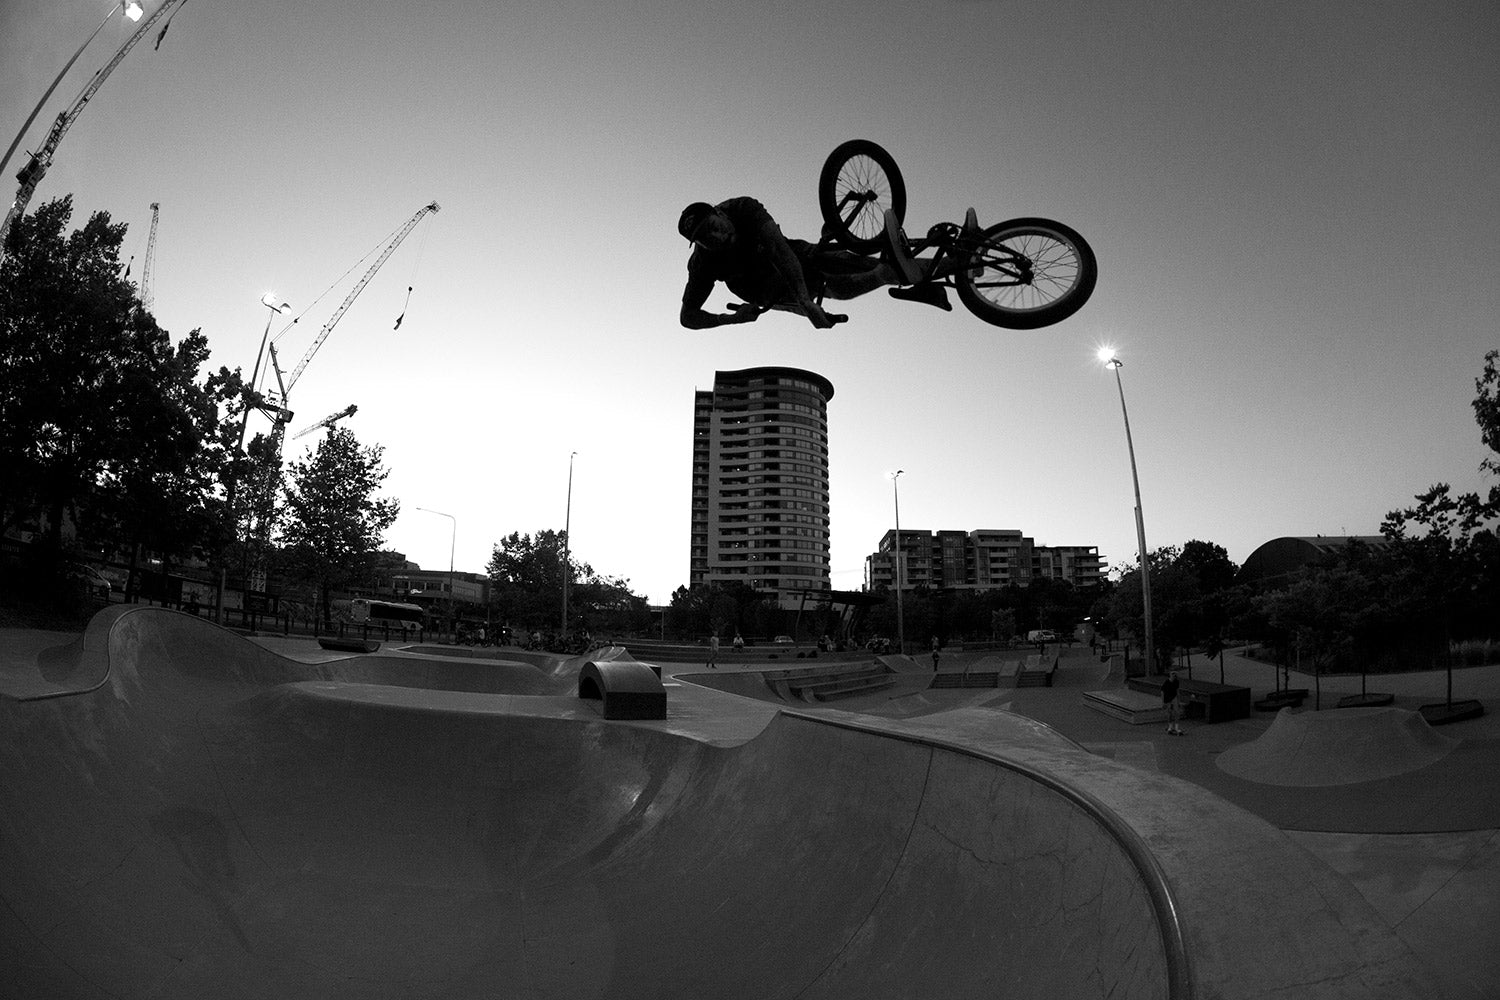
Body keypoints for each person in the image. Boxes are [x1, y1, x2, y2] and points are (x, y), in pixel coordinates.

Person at [678, 198, 933, 330]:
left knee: (847, 261)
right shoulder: (702, 263)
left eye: (713, 227)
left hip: (784, 250)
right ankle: (883, 275)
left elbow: (778, 248)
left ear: (719, 213)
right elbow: (687, 317)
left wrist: (804, 301)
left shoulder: (742, 208)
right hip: (758, 287)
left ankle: (962, 265)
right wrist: (731, 319)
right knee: (828, 286)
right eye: (704, 239)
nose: (715, 237)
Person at [1162, 670, 1183, 736]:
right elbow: (1162, 692)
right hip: (1167, 698)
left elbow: (1177, 691)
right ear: (1170, 675)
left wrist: (1179, 701)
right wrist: (1163, 702)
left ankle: (1176, 727)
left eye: (1175, 674)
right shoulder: (1166, 682)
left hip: (1174, 697)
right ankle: (1170, 726)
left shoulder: (1176, 681)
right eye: (1172, 674)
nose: (1174, 675)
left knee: (1177, 711)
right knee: (1169, 712)